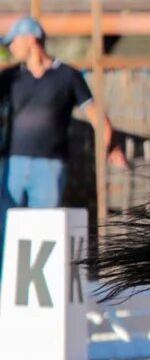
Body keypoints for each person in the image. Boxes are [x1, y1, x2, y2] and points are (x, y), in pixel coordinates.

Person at [0, 16, 127, 251]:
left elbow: (94, 113)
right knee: (5, 229)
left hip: (50, 167)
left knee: (43, 232)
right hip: (13, 165)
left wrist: (113, 144)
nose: (11, 47)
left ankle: (41, 285)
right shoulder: (10, 78)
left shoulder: (67, 76)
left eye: (14, 41)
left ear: (31, 39)